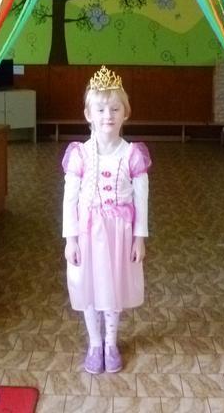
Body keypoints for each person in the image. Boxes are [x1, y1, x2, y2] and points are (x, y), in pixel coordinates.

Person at [62, 65, 151, 374]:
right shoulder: (80, 154)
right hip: (88, 233)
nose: (107, 116)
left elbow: (141, 200)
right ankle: (95, 342)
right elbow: (69, 199)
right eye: (100, 110)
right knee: (89, 285)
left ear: (125, 113)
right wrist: (71, 239)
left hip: (119, 235)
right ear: (89, 114)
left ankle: (111, 342)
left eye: (114, 109)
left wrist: (139, 238)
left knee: (112, 287)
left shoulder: (133, 154)